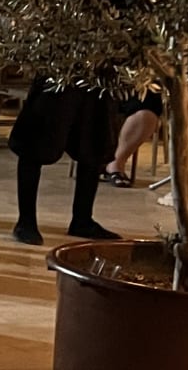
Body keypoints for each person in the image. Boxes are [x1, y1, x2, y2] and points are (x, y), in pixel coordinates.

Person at [8, 79, 119, 246]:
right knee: (35, 142)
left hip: (98, 77)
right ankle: (26, 221)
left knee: (94, 142)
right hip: (58, 74)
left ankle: (82, 220)